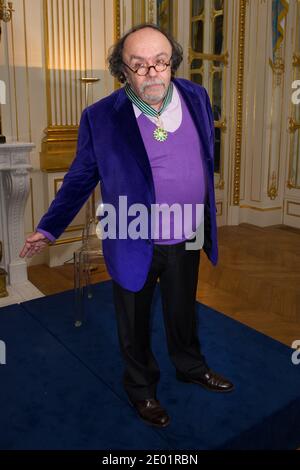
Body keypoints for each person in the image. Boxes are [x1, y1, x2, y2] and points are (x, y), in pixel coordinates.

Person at [20, 23, 234, 429]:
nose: (152, 72)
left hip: (188, 232)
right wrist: (48, 228)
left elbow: (204, 154)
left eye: (161, 62)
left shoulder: (196, 96)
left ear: (172, 63)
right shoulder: (101, 117)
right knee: (133, 321)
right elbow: (82, 176)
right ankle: (142, 390)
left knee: (183, 308)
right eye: (140, 65)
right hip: (133, 234)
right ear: (122, 69)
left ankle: (190, 366)